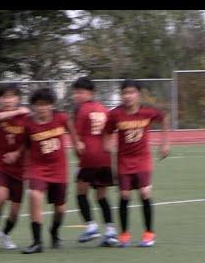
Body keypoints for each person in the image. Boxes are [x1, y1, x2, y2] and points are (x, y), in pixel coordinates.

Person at [104, 80, 170, 247]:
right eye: (125, 93)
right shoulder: (115, 114)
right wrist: (107, 146)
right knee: (124, 195)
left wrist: (165, 143)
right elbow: (107, 131)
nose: (128, 96)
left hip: (142, 159)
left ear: (138, 95)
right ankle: (124, 235)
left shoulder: (147, 112)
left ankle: (149, 234)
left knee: (145, 193)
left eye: (131, 92)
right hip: (123, 160)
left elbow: (164, 118)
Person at [21, 88, 83, 254]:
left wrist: (77, 144)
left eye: (45, 104)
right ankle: (36, 242)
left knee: (60, 209)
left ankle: (54, 232)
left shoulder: (61, 117)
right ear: (33, 106)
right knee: (34, 196)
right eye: (38, 105)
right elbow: (26, 147)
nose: (42, 108)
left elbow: (72, 130)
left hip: (59, 168)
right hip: (38, 168)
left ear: (52, 105)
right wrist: (25, 168)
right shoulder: (28, 124)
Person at [71, 77, 118, 246]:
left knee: (81, 193)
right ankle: (111, 231)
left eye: (80, 92)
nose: (76, 96)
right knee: (101, 196)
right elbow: (110, 132)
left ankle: (91, 226)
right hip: (105, 158)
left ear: (90, 93)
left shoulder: (81, 110)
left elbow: (77, 137)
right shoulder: (104, 109)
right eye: (75, 92)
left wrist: (79, 153)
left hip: (89, 157)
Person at [0, 83, 30, 250]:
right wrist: (18, 111)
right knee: (1, 197)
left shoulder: (26, 120)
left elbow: (28, 141)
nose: (8, 100)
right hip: (1, 165)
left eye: (11, 96)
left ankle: (5, 235)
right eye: (4, 97)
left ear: (18, 98)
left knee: (15, 211)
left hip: (20, 168)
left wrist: (17, 154)